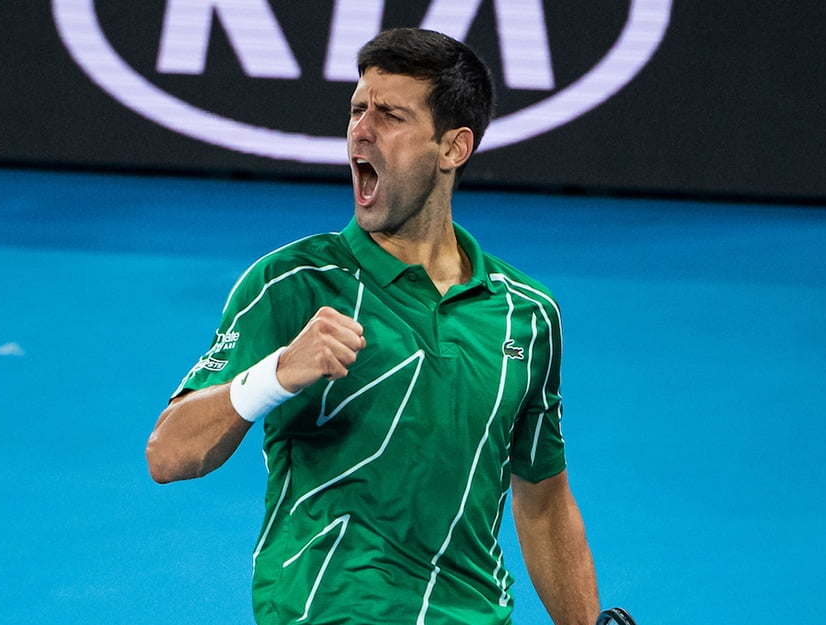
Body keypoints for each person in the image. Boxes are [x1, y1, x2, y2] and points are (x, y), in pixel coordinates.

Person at [146, 27, 599, 625]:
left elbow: (543, 502)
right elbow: (168, 454)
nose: (361, 129)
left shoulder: (526, 313)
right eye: (358, 109)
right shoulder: (293, 283)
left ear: (452, 148)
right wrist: (275, 375)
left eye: (390, 115)